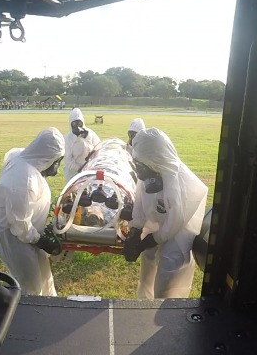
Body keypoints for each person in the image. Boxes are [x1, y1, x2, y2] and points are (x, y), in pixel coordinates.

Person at [122, 127, 208, 299]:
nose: (139, 170)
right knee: (148, 261)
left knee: (169, 271)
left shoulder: (181, 184)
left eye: (141, 165)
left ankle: (167, 308)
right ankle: (144, 303)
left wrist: (150, 240)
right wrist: (136, 230)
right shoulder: (148, 172)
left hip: (179, 232)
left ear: (155, 161)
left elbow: (175, 222)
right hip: (157, 222)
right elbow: (140, 201)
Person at [0, 128, 65, 296]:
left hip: (27, 234)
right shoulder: (24, 179)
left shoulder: (21, 158)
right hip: (12, 236)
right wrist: (41, 240)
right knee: (30, 286)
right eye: (57, 161)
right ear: (47, 157)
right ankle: (27, 318)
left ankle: (49, 309)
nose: (57, 167)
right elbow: (19, 225)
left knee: (45, 278)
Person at [63, 107, 101, 182]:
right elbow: (68, 160)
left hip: (90, 171)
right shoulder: (67, 139)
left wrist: (90, 166)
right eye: (74, 123)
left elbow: (99, 147)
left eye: (79, 123)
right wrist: (80, 169)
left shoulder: (91, 134)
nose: (77, 126)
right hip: (73, 175)